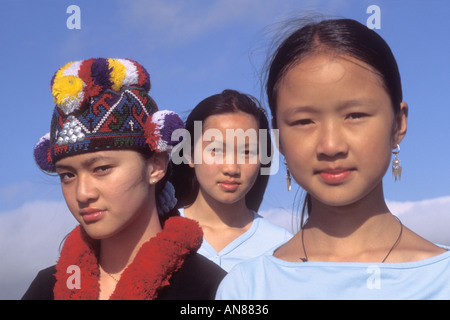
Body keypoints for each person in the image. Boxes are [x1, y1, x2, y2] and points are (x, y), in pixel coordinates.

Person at [216, 18, 450, 299]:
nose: (330, 145)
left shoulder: (442, 278)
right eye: (304, 121)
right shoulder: (247, 288)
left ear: (398, 123)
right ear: (278, 140)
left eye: (355, 115)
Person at [22, 58, 226, 300]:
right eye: (68, 175)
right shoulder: (45, 289)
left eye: (102, 169)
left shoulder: (210, 289)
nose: (83, 193)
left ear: (156, 165)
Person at [171, 89, 292, 272]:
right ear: (189, 154)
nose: (231, 169)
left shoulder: (282, 248)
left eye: (247, 152)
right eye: (216, 150)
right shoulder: (155, 234)